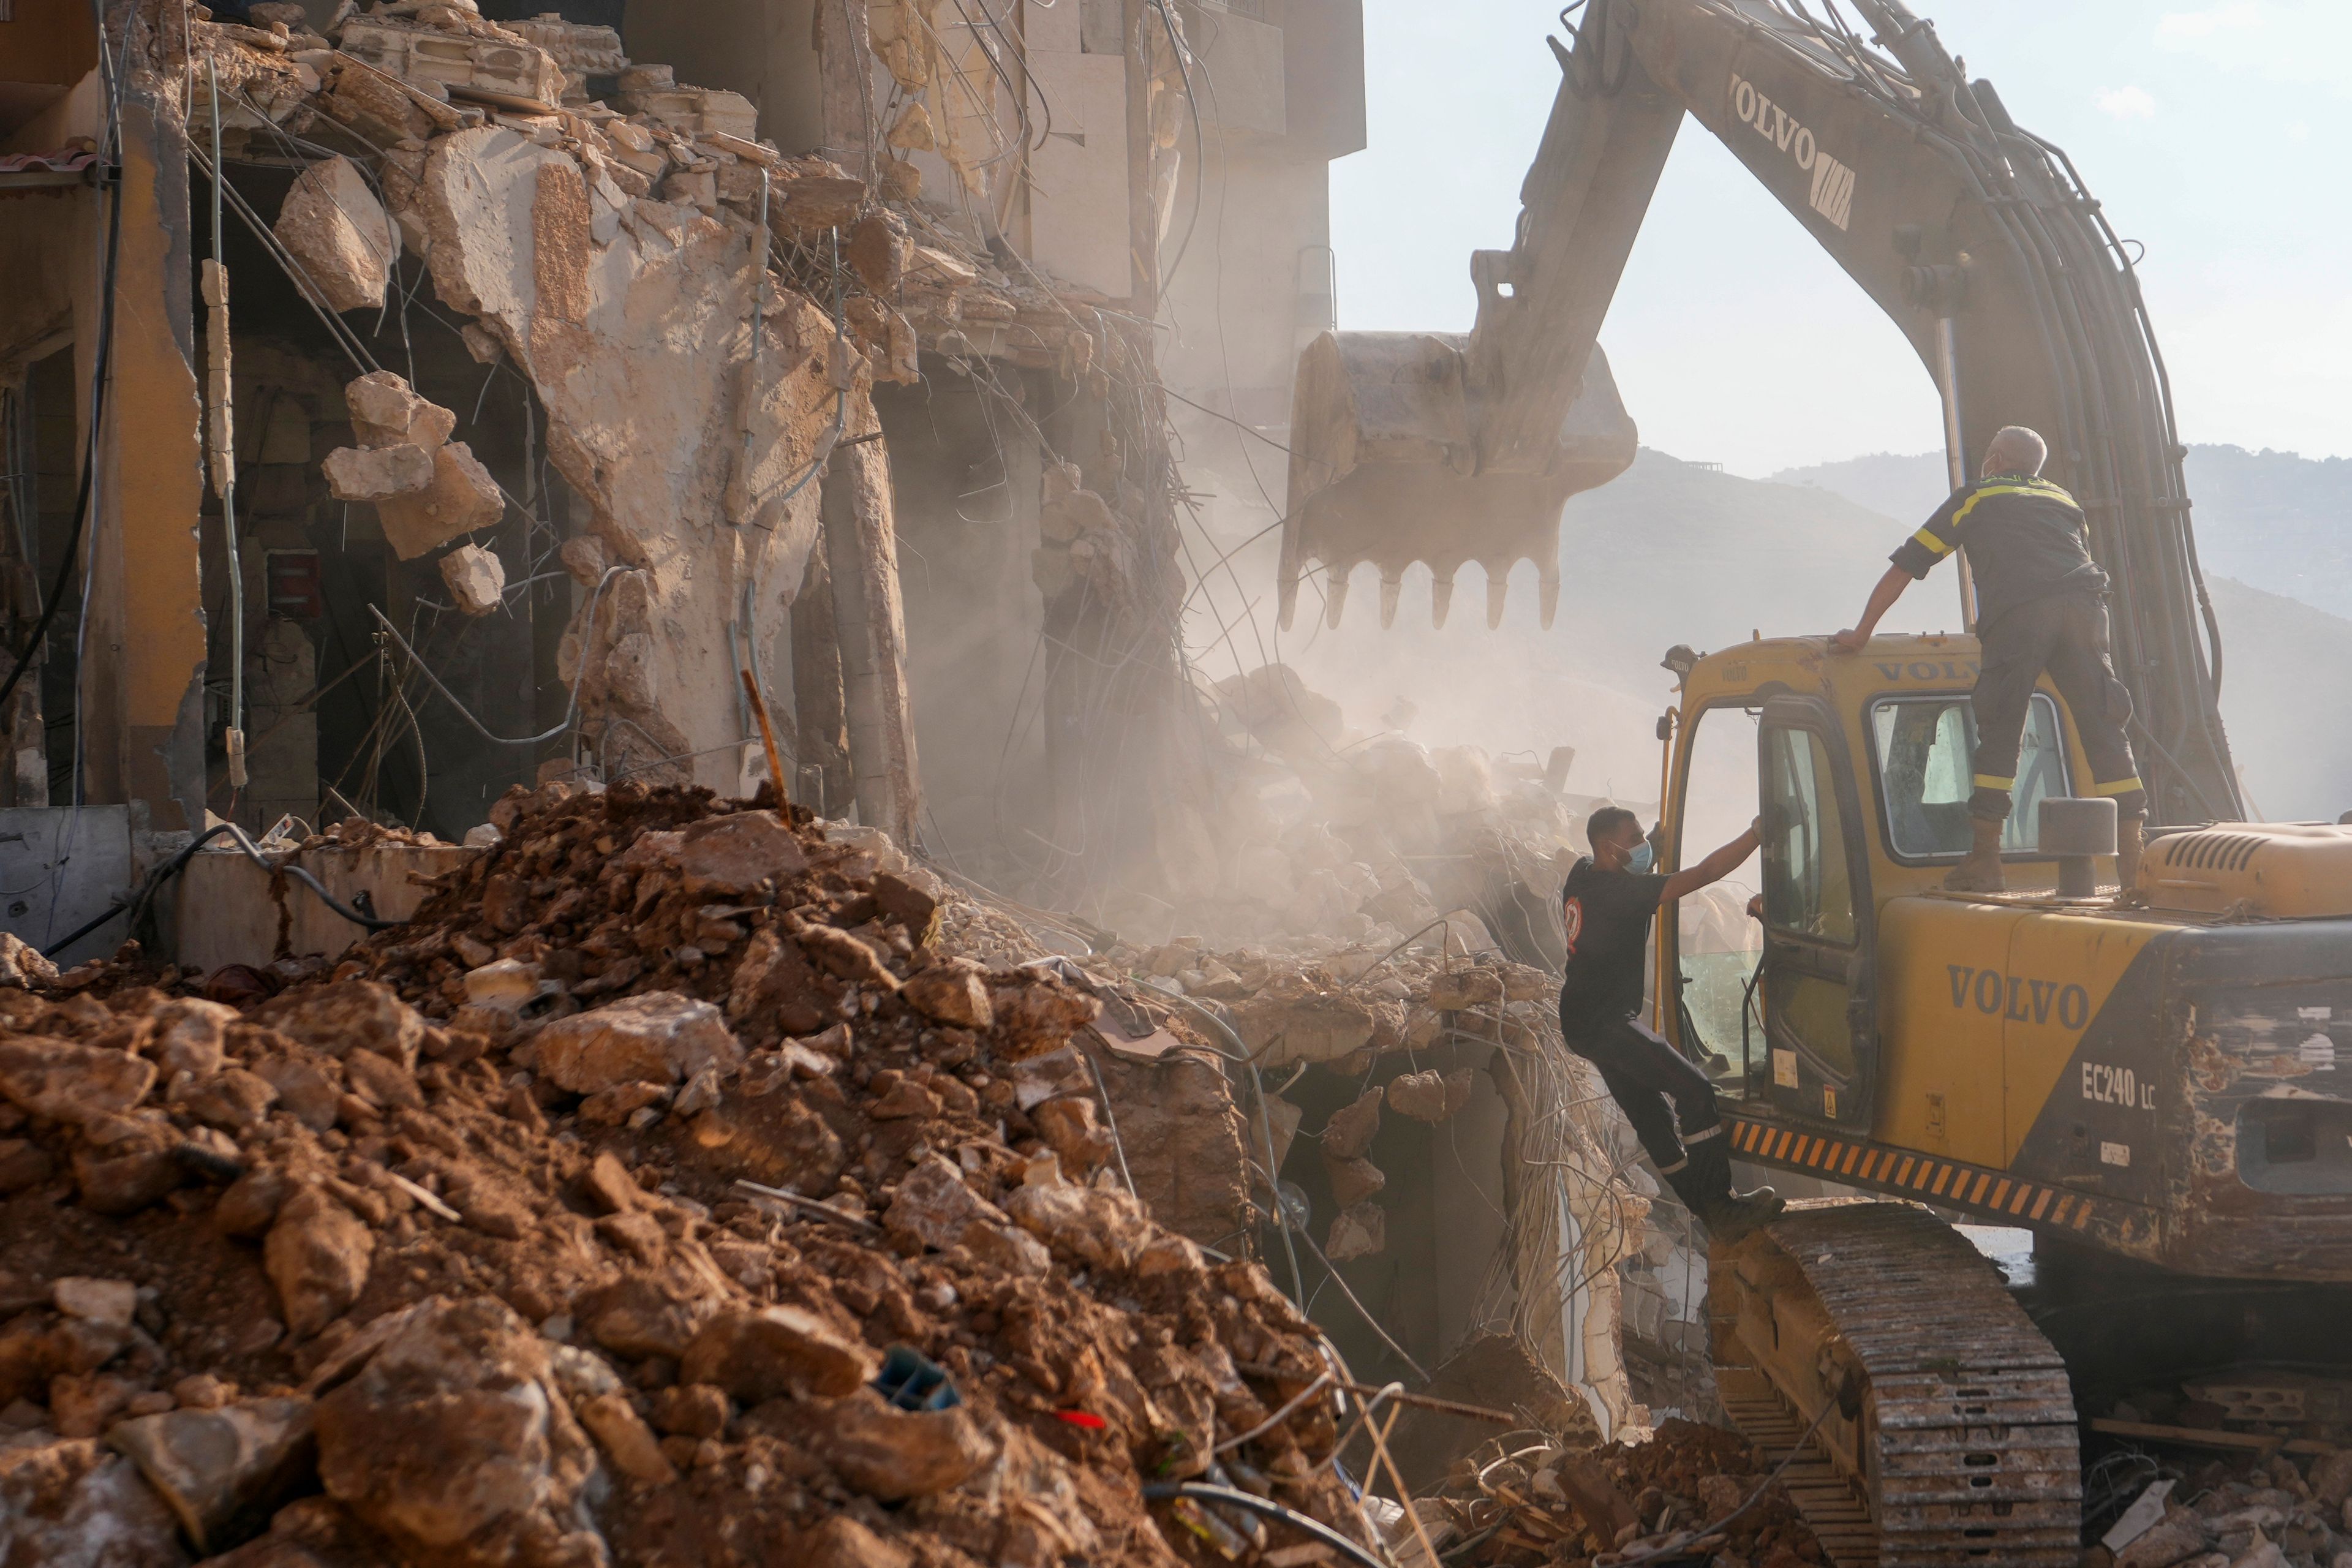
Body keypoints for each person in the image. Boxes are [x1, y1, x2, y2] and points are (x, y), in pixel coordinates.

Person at [1832, 425, 2146, 894]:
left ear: (1996, 459)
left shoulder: (1976, 496)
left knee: (2002, 725)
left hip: (2020, 612)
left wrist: (1861, 633)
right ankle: (2135, 870)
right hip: (2086, 608)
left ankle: (1985, 860)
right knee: (2104, 723)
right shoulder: (2065, 501)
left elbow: (1908, 565)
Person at [1561, 806, 1782, 1240]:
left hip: (1583, 1019)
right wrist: (1756, 834)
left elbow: (1627, 869)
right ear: (1610, 848)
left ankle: (1707, 1210)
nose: (1643, 845)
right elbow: (1706, 871)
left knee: (1652, 1115)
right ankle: (1719, 1204)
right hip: (1605, 1021)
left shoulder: (1581, 874)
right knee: (1695, 1091)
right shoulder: (1618, 894)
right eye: (1635, 839)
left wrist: (1653, 847)